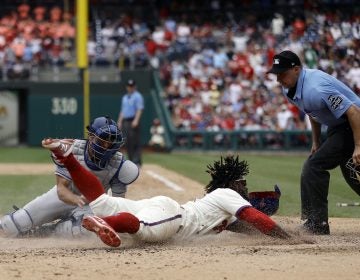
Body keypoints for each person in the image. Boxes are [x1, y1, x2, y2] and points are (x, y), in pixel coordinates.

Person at [41, 138, 291, 247]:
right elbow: (255, 219)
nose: (244, 188)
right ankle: (103, 222)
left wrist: (268, 209)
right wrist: (288, 238)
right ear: (231, 183)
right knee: (139, 227)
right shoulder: (226, 193)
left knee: (101, 200)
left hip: (160, 210)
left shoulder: (221, 208)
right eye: (242, 183)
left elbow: (250, 224)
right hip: (175, 218)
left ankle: (65, 157)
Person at [267, 50, 360, 235]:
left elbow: (353, 112)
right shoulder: (290, 88)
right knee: (352, 172)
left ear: (296, 69)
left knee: (314, 167)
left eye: (282, 73)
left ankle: (317, 224)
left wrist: (359, 146)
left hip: (353, 124)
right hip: (339, 126)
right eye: (276, 74)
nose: (279, 79)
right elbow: (311, 111)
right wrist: (316, 141)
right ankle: (315, 222)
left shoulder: (317, 88)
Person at [0, 116, 139, 238]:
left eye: (111, 141)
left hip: (92, 206)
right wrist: (76, 199)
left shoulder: (120, 166)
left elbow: (117, 203)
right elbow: (61, 190)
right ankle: (18, 224)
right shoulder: (71, 150)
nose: (107, 145)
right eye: (103, 140)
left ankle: (46, 232)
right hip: (65, 197)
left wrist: (115, 222)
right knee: (10, 226)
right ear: (91, 137)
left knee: (81, 230)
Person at [117, 79, 144, 167]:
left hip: (133, 120)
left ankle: (137, 161)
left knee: (135, 141)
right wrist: (120, 121)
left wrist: (136, 120)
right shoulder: (125, 97)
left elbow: (139, 109)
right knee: (127, 141)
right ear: (127, 87)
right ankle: (132, 160)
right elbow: (122, 110)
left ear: (135, 87)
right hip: (125, 121)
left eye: (132, 86)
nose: (130, 88)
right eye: (129, 86)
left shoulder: (137, 96)